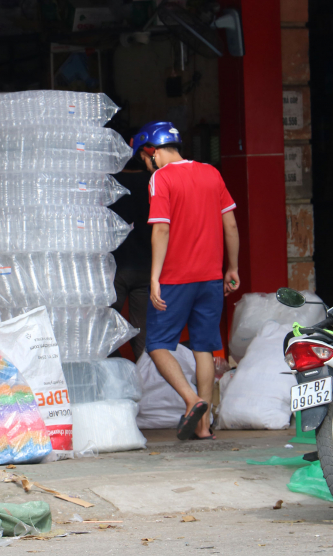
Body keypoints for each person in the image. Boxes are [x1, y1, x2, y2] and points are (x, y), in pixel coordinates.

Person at [131, 121, 240, 441]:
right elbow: (231, 226)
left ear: (152, 151)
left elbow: (161, 228)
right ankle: (203, 426)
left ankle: (192, 401)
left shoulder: (161, 177)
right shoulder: (211, 173)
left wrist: (154, 277)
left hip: (175, 279)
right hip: (211, 277)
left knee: (157, 345)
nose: (146, 164)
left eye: (144, 158)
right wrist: (232, 267)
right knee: (204, 347)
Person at [110, 155, 153, 358]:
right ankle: (145, 372)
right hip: (146, 265)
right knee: (141, 328)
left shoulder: (111, 183)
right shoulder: (153, 182)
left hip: (115, 266)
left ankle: (115, 368)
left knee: (105, 324)